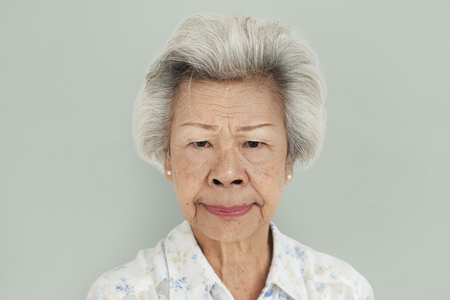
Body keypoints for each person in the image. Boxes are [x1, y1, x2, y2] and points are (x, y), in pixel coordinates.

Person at [86, 14, 374, 300]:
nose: (226, 173)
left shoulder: (343, 290)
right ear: (168, 158)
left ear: (290, 158)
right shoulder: (121, 294)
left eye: (253, 143)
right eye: (200, 143)